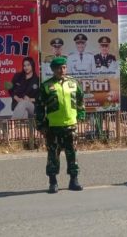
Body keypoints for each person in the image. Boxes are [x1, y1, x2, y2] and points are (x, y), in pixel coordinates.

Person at [36, 57, 86, 194]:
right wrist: (41, 125)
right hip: (53, 126)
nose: (61, 70)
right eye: (58, 68)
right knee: (53, 154)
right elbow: (39, 107)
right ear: (52, 69)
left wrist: (81, 114)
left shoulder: (73, 83)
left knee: (72, 153)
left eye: (64, 67)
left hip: (71, 125)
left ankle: (74, 180)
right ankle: (53, 181)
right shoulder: (46, 86)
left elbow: (80, 99)